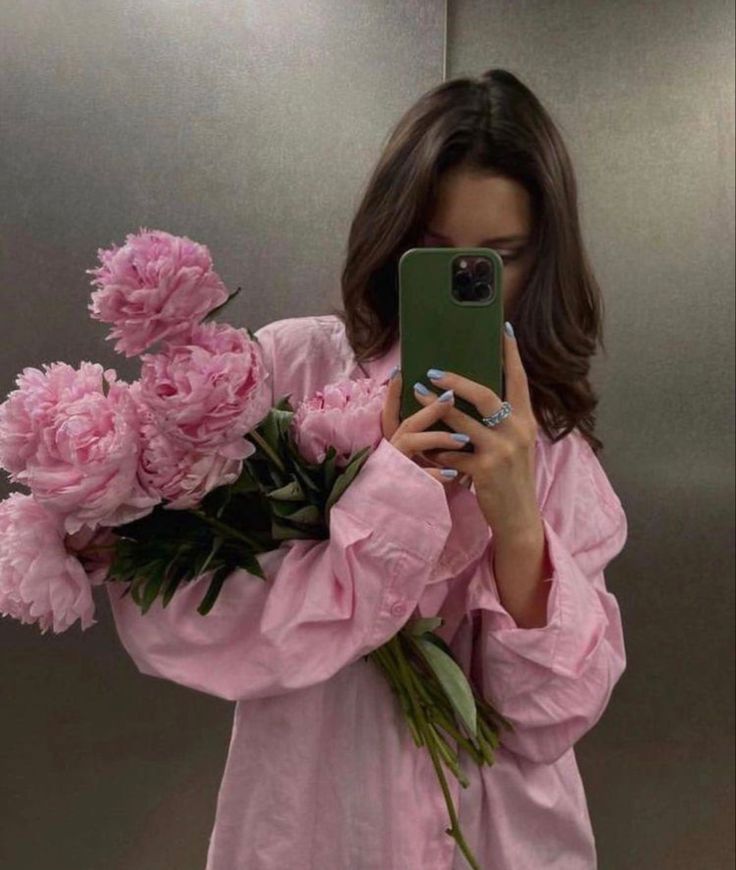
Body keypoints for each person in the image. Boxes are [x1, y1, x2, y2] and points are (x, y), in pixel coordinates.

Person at [107, 68, 628, 870]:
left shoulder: (549, 443)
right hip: (317, 823)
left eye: (498, 258)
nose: (467, 282)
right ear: (396, 241)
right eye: (437, 253)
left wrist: (518, 518)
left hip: (499, 840)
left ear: (541, 259)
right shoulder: (283, 376)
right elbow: (178, 629)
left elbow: (547, 719)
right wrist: (390, 491)